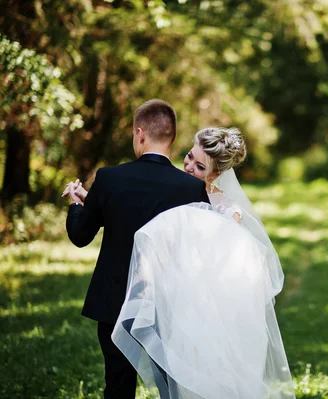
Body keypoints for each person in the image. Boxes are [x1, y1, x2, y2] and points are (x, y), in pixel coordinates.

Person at [68, 127, 296, 398]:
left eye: (199, 166)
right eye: (189, 157)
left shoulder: (218, 208)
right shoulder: (184, 188)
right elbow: (141, 211)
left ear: (216, 174)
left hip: (185, 307)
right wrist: (93, 201)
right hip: (149, 296)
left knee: (179, 383)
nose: (188, 167)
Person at [64, 99, 210, 399]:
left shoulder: (109, 178)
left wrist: (78, 204)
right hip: (167, 305)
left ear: (140, 133)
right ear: (171, 137)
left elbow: (80, 236)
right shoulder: (191, 188)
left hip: (115, 301)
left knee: (118, 385)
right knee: (172, 385)